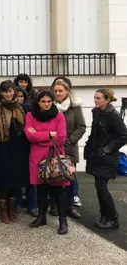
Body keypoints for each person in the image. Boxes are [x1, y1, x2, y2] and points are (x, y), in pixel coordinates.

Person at [0, 80, 30, 224]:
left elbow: (26, 127)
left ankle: (11, 208)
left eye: (11, 91)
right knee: (2, 179)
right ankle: (3, 210)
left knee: (15, 178)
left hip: (18, 147)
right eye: (5, 91)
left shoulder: (21, 108)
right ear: (1, 93)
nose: (9, 94)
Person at [25, 90, 69, 235]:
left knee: (59, 190)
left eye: (49, 101)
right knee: (41, 189)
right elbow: (30, 136)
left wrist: (39, 137)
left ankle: (63, 221)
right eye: (43, 101)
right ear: (38, 102)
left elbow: (61, 138)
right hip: (38, 157)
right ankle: (41, 216)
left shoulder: (59, 115)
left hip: (55, 156)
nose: (47, 104)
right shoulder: (30, 115)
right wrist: (49, 134)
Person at [85, 88, 127, 230]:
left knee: (101, 187)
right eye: (94, 97)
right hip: (97, 155)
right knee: (99, 187)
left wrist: (106, 150)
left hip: (107, 157)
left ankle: (113, 219)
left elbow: (123, 136)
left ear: (107, 100)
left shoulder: (113, 115)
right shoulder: (97, 112)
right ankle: (105, 215)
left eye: (98, 98)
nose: (95, 100)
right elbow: (95, 134)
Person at [51, 79, 85, 219]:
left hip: (69, 148)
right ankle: (53, 205)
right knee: (53, 177)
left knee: (69, 179)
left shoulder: (74, 107)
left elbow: (81, 126)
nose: (58, 93)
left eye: (61, 90)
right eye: (56, 91)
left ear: (67, 91)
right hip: (52, 148)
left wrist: (70, 140)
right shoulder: (49, 105)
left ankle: (70, 206)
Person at [13, 87, 38, 217]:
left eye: (22, 97)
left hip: (29, 146)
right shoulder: (11, 110)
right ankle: (17, 203)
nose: (20, 99)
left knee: (31, 179)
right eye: (17, 96)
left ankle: (32, 205)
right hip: (16, 147)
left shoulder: (29, 110)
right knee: (17, 177)